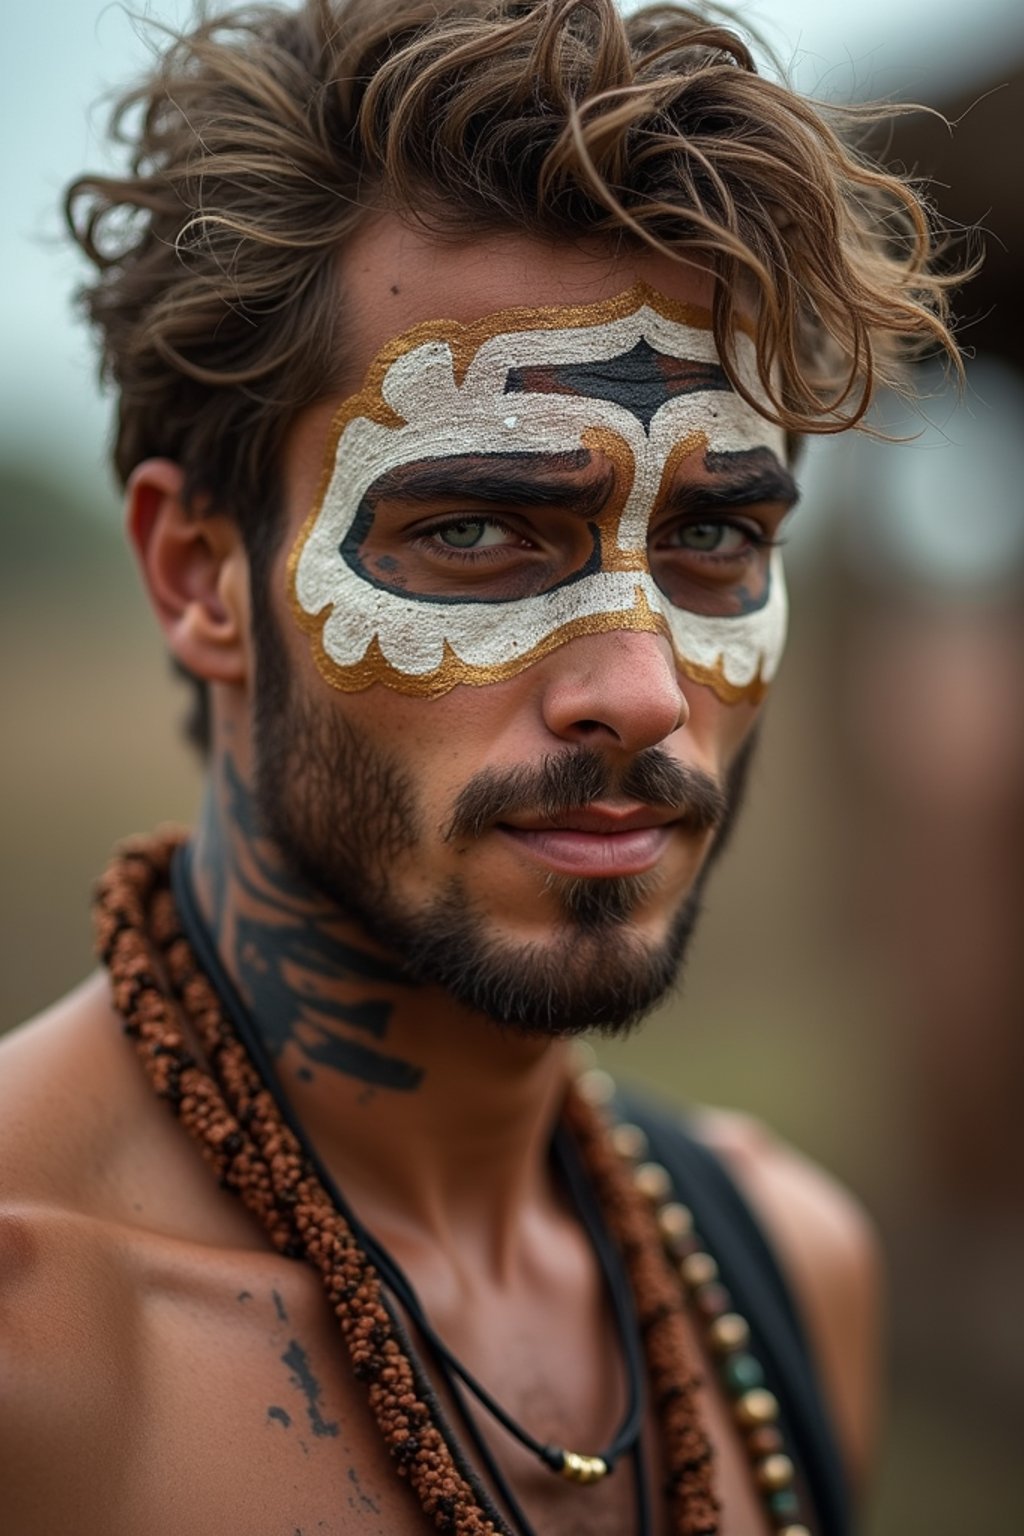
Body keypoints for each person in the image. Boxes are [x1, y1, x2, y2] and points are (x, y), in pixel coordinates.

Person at [0, 2, 962, 1532]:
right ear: (201, 578)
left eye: (715, 538)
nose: (642, 695)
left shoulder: (783, 1272)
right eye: (474, 531)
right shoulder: (36, 1354)